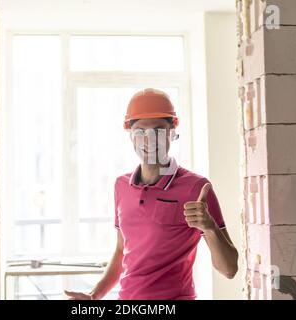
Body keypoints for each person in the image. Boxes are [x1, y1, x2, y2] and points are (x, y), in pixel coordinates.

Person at [65, 88, 238, 300]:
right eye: (140, 132)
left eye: (158, 131)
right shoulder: (121, 185)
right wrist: (94, 295)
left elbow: (229, 269)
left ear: (172, 132)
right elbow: (122, 250)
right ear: (130, 135)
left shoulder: (197, 188)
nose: (149, 140)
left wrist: (209, 228)